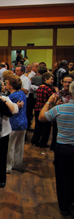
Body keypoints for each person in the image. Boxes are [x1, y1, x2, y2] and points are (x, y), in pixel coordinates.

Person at [39, 84, 74, 217]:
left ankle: (64, 207)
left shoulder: (60, 108)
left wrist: (49, 102)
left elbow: (42, 117)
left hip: (63, 148)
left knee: (63, 177)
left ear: (70, 92)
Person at [0, 79, 21, 187]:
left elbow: (15, 110)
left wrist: (3, 100)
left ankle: (2, 179)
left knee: (2, 157)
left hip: (4, 132)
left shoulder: (5, 98)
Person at [5, 75, 27, 172]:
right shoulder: (21, 93)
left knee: (10, 146)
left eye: (7, 83)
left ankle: (8, 166)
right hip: (22, 122)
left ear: (11, 86)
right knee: (19, 145)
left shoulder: (12, 96)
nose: (5, 85)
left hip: (13, 123)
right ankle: (17, 163)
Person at [31, 73, 55, 148]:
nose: (52, 81)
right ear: (46, 79)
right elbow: (53, 97)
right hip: (45, 109)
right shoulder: (47, 88)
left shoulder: (39, 87)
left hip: (37, 108)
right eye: (51, 79)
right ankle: (43, 143)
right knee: (46, 127)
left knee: (38, 125)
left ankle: (35, 140)